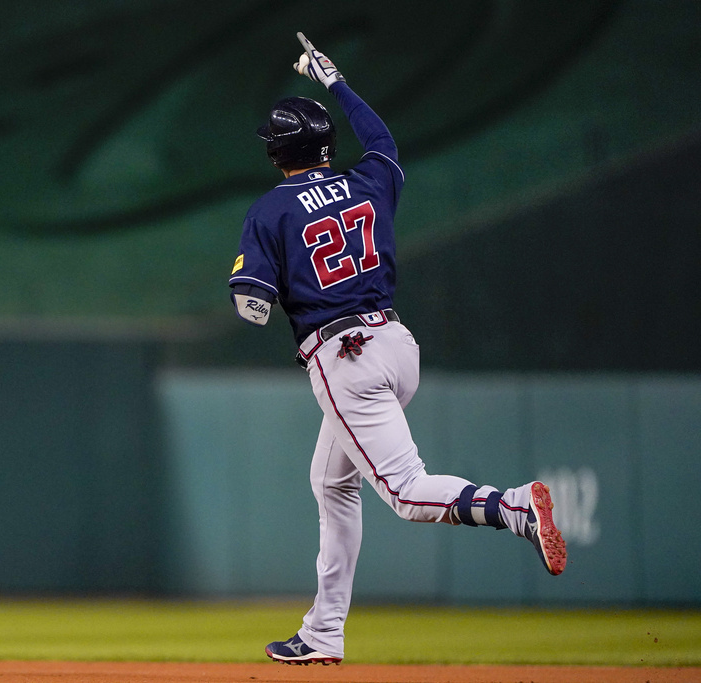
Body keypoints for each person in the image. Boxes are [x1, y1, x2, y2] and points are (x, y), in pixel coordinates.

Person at [228, 33, 567, 666]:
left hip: (344, 355)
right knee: (331, 483)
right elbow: (383, 141)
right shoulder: (369, 180)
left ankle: (515, 507)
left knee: (407, 494)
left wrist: (254, 291)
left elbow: (252, 304)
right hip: (396, 345)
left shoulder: (269, 211)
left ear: (278, 153)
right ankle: (323, 634)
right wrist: (337, 83)